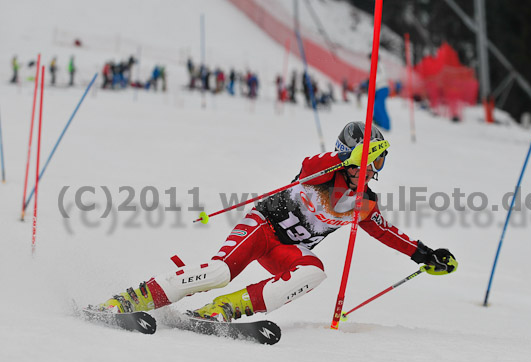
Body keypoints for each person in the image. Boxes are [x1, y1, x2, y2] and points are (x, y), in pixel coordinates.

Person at [96, 122, 457, 321]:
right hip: (262, 227)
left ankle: (224, 309)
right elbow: (308, 168)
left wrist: (424, 254)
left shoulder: (364, 202)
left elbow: (385, 231)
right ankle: (132, 298)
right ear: (350, 158)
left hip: (288, 250)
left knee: (314, 271)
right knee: (220, 272)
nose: (372, 170)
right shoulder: (323, 171)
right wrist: (346, 156)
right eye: (369, 161)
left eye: (378, 163)